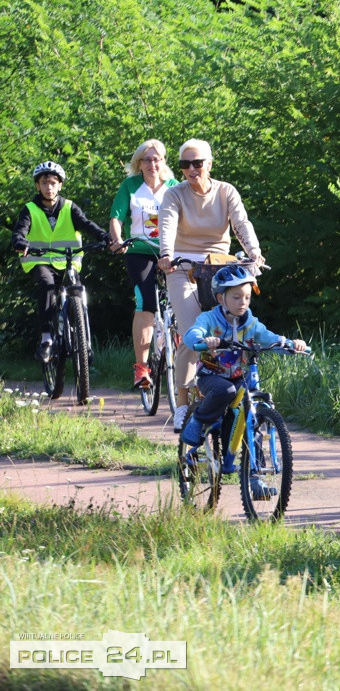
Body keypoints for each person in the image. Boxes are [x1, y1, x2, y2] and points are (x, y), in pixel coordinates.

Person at [157, 139, 264, 432]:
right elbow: (166, 223)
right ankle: (181, 403)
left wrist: (253, 251)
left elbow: (242, 223)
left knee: (236, 327)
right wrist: (166, 255)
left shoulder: (226, 191)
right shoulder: (174, 195)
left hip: (220, 264)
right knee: (193, 331)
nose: (191, 170)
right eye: (185, 165)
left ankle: (226, 394)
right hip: (182, 266)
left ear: (210, 164)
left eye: (197, 163)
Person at [180, 265, 306, 495]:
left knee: (253, 417)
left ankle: (255, 481)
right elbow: (192, 334)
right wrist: (203, 340)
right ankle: (198, 420)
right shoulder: (209, 318)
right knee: (226, 391)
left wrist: (290, 344)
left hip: (239, 378)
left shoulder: (251, 323)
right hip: (211, 376)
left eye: (247, 297)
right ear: (221, 298)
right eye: (236, 297)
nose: (243, 302)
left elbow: (270, 338)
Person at [11, 161, 111, 361]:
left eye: (53, 183)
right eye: (44, 183)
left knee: (77, 290)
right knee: (47, 285)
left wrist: (105, 237)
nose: (49, 187)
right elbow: (20, 230)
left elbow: (86, 224)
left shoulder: (69, 207)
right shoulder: (29, 209)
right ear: (37, 186)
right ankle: (46, 339)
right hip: (39, 261)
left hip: (68, 260)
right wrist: (20, 241)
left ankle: (84, 342)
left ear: (60, 185)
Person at [108, 139, 180, 389]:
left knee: (184, 301)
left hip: (171, 251)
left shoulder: (174, 187)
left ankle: (186, 361)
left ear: (164, 161)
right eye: (147, 159)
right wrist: (117, 240)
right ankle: (141, 369)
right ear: (139, 163)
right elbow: (116, 218)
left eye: (157, 158)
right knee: (146, 301)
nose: (153, 164)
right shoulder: (130, 186)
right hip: (139, 250)